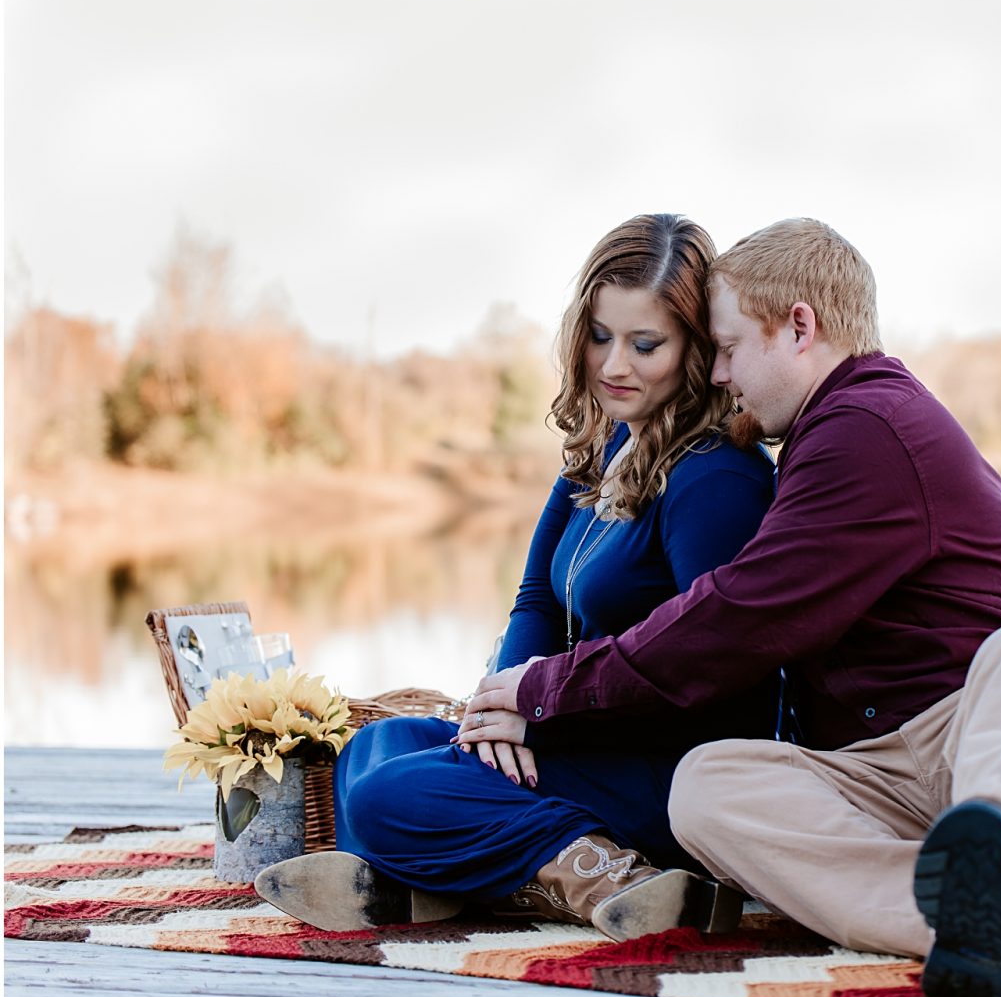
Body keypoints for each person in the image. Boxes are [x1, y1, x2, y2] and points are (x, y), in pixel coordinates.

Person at [458, 218, 1001, 997]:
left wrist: (543, 691)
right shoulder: (809, 444)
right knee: (709, 786)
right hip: (903, 774)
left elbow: (735, 619)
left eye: (726, 347)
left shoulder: (872, 427)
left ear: (800, 326)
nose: (716, 374)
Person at [255, 213, 778, 942]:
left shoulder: (716, 477)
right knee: (379, 746)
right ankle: (533, 878)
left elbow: (716, 671)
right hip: (571, 728)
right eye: (600, 336)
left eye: (645, 344)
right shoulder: (605, 450)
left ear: (694, 347)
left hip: (663, 766)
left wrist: (541, 710)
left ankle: (595, 871)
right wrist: (497, 710)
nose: (614, 365)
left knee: (385, 800)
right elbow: (536, 600)